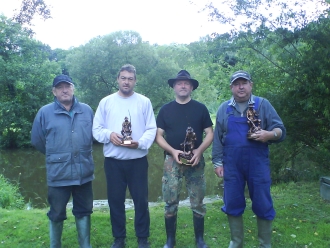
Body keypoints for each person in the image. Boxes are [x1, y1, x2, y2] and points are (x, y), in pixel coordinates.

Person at [212, 70, 286, 247]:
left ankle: (264, 244)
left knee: (262, 200)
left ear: (251, 85)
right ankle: (236, 242)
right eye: (237, 84)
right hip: (232, 164)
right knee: (232, 200)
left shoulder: (263, 105)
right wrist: (217, 162)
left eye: (244, 82)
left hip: (257, 162)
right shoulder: (224, 109)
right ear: (231, 88)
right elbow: (217, 138)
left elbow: (280, 130)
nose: (241, 87)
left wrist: (269, 134)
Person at [92, 64, 156, 248]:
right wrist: (109, 135)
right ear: (117, 79)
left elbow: (151, 128)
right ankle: (119, 238)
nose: (126, 81)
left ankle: (142, 238)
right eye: (123, 78)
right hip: (113, 161)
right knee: (115, 201)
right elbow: (96, 129)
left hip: (137, 161)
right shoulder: (106, 102)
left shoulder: (144, 102)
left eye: (130, 78)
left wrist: (141, 143)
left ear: (135, 81)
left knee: (141, 200)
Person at [31, 74, 95, 248]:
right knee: (57, 213)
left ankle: (85, 245)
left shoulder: (87, 110)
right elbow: (37, 140)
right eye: (60, 87)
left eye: (67, 86)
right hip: (58, 174)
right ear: (54, 91)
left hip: (84, 173)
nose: (64, 90)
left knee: (84, 211)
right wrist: (56, 156)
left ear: (73, 88)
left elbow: (94, 136)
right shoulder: (45, 113)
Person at [155, 70, 214, 248]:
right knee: (170, 201)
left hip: (195, 161)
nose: (182, 85)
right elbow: (158, 136)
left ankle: (200, 240)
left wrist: (199, 151)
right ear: (174, 86)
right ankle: (170, 240)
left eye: (186, 83)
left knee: (198, 201)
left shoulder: (200, 108)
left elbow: (210, 134)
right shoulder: (165, 110)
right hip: (172, 161)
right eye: (179, 83)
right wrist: (173, 151)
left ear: (191, 87)